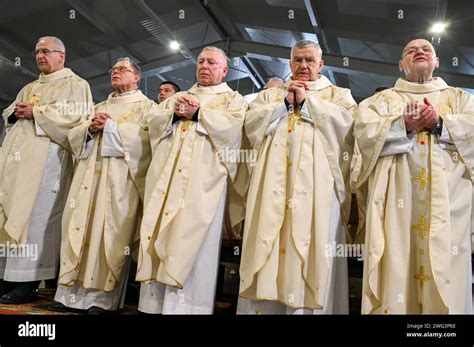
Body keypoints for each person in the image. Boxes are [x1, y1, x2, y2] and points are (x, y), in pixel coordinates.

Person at [354, 38, 473, 314]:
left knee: (447, 271)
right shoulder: (381, 101)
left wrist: (441, 123)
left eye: (426, 49)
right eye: (411, 50)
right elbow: (362, 134)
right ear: (401, 64)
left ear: (437, 62)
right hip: (396, 206)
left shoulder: (459, 98)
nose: (419, 52)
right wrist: (402, 124)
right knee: (397, 265)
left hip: (449, 205)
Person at [238, 40, 357, 314]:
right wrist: (283, 104)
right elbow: (251, 125)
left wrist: (309, 104)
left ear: (321, 64)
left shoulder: (338, 95)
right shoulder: (270, 96)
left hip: (319, 191)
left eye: (309, 60)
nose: (303, 66)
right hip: (271, 186)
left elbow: (351, 130)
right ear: (290, 63)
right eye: (298, 60)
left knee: (313, 245)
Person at [136, 46, 247, 314]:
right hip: (167, 181)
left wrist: (199, 114)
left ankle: (189, 308)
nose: (204, 66)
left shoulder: (233, 100)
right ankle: (152, 306)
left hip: (203, 186)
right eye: (200, 61)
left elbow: (236, 130)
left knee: (194, 241)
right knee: (158, 233)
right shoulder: (179, 97)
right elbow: (149, 122)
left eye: (211, 62)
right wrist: (173, 114)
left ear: (224, 70)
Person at [47, 57, 160, 314]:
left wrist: (111, 128)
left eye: (123, 69)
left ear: (136, 78)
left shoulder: (149, 107)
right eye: (114, 69)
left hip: (120, 183)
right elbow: (73, 136)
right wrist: (89, 128)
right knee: (77, 228)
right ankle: (68, 296)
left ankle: (101, 299)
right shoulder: (99, 105)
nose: (116, 72)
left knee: (109, 234)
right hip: (87, 179)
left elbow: (147, 143)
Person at [0, 36, 93, 304]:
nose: (40, 56)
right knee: (10, 214)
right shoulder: (29, 86)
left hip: (48, 163)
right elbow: (10, 111)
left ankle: (28, 281)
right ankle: (6, 276)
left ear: (61, 56)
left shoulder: (76, 84)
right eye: (37, 52)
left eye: (46, 52)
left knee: (36, 219)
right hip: (17, 163)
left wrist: (37, 113)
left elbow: (77, 119)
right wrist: (17, 112)